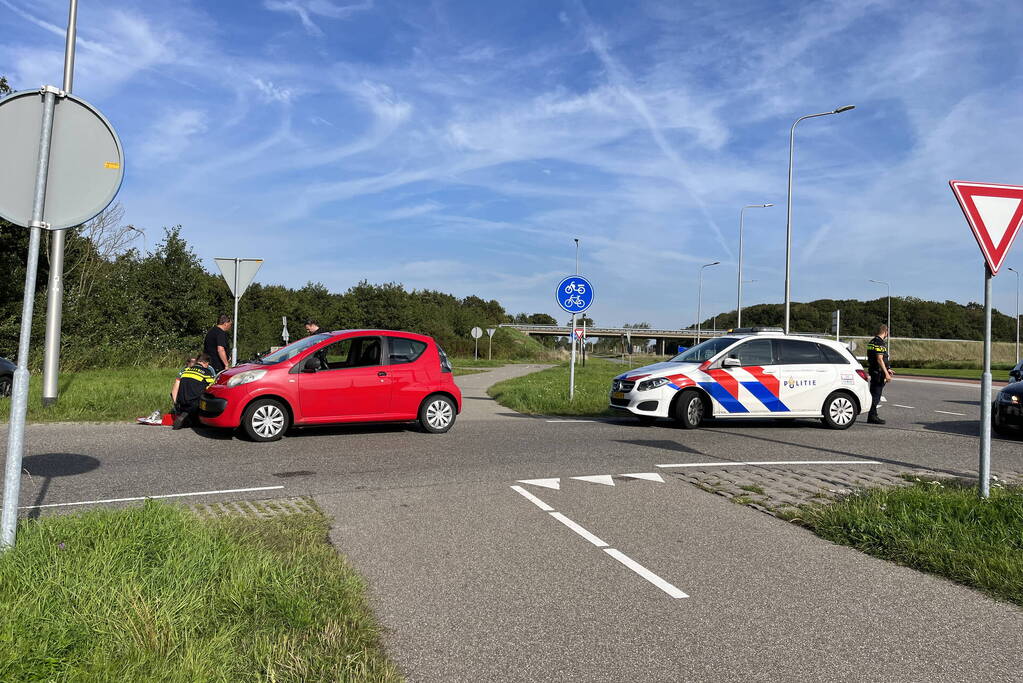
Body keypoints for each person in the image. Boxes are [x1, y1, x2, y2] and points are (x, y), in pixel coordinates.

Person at [171, 353, 216, 429]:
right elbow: (212, 387)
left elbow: (176, 386)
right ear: (205, 363)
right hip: (195, 403)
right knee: (209, 395)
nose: (207, 367)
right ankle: (194, 418)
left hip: (181, 402)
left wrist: (176, 404)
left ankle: (186, 417)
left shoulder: (186, 370)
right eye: (207, 365)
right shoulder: (206, 372)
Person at [866, 323, 893, 424]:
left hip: (873, 371)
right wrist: (886, 373)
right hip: (879, 373)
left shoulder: (872, 342)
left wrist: (888, 369)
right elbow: (880, 359)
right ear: (885, 331)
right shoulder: (880, 343)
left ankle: (872, 415)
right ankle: (872, 416)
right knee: (876, 395)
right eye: (888, 332)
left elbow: (873, 358)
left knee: (874, 394)